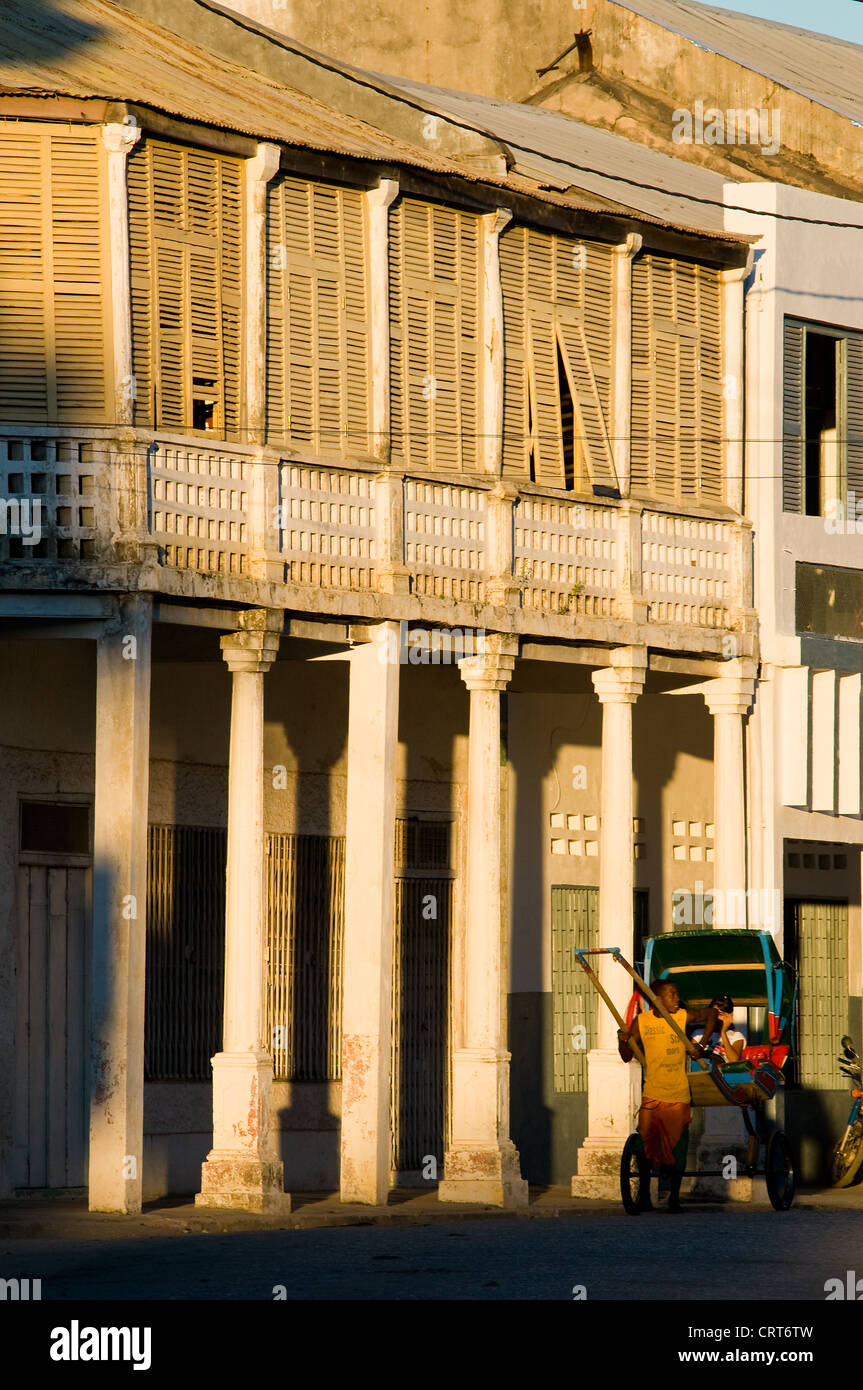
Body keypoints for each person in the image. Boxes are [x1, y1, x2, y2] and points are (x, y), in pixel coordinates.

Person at [617, 979, 719, 1213]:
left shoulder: (681, 1016)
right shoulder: (641, 1022)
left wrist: (701, 1046)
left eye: (676, 994)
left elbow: (712, 1014)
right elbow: (625, 1056)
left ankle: (674, 1197)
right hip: (652, 1093)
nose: (676, 999)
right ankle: (643, 1195)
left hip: (678, 1094)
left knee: (678, 1150)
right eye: (672, 994)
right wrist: (622, 1040)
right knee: (645, 1148)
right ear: (657, 998)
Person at [691, 995, 746, 1062]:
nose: (716, 1018)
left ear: (730, 1016)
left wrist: (723, 1032)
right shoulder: (698, 1034)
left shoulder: (736, 1036)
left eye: (720, 1014)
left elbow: (734, 1060)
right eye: (713, 1014)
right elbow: (692, 1057)